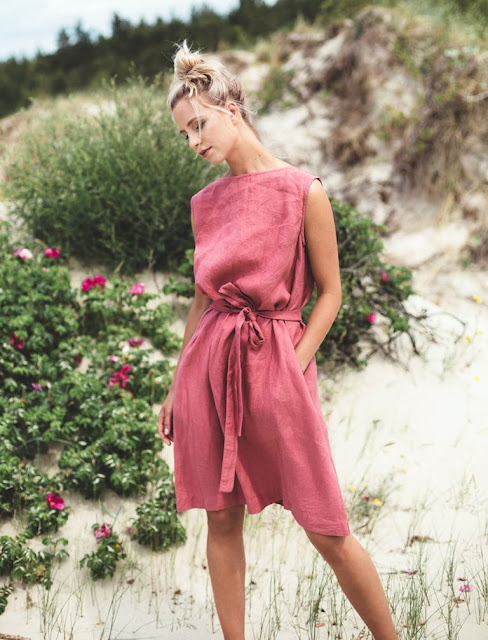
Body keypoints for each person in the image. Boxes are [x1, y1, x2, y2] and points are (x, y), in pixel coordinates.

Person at [157, 39, 399, 640]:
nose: (193, 142)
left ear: (231, 109)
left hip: (279, 362)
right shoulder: (205, 203)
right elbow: (202, 298)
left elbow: (330, 292)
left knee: (326, 526)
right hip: (210, 363)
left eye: (199, 125)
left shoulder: (301, 190)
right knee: (221, 519)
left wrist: (292, 364)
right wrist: (175, 385)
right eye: (184, 134)